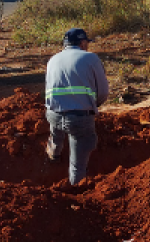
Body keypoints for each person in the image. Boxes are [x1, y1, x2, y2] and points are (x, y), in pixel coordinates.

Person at [45, 28, 109, 185]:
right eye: (86, 42)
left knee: (57, 125)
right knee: (77, 163)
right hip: (79, 118)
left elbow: (48, 89)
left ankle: (54, 151)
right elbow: (103, 91)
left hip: (53, 113)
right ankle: (76, 190)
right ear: (82, 42)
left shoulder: (53, 59)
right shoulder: (90, 58)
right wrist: (93, 107)